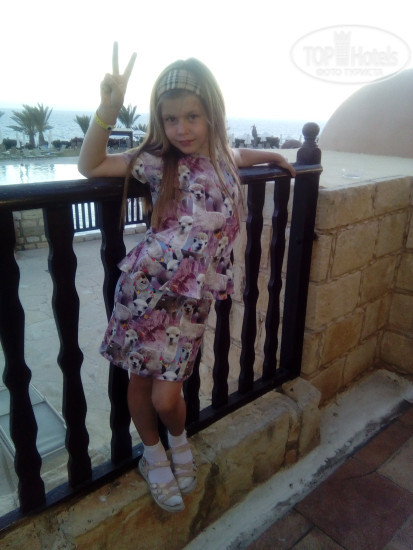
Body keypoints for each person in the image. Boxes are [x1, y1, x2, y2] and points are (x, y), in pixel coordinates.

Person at [78, 43, 295, 513]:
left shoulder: (221, 157)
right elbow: (90, 165)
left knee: (167, 394)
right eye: (172, 119)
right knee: (141, 383)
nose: (182, 129)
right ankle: (154, 454)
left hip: (191, 302)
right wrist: (107, 111)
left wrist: (275, 157)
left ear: (211, 113)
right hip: (144, 293)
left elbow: (239, 154)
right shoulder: (158, 160)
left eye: (192, 116)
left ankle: (177, 438)